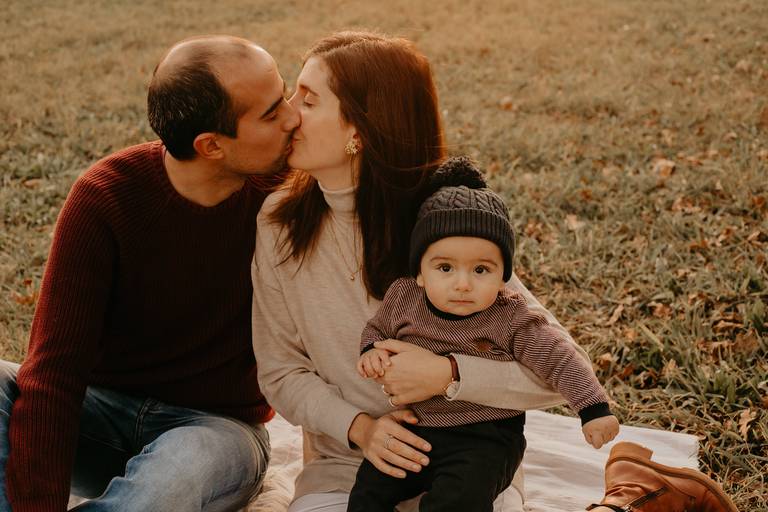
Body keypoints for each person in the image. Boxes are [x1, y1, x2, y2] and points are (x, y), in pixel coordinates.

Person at [251, 30, 739, 512]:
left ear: (359, 130)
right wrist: (359, 426)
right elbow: (281, 369)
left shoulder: (443, 225)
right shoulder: (278, 224)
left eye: (308, 100)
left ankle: (628, 498)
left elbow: (550, 367)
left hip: (469, 460)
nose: (289, 112)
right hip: (347, 465)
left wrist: (449, 374)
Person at [0, 35, 299, 512]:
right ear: (211, 146)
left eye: (284, 94)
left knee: (176, 472)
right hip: (101, 416)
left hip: (217, 433)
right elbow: (55, 372)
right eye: (270, 112)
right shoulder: (106, 198)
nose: (293, 116)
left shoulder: (293, 198)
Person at [346, 157, 620, 511]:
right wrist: (371, 351)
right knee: (371, 485)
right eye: (445, 267)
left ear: (503, 276)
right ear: (420, 273)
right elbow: (377, 329)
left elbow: (559, 358)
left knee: (460, 499)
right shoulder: (404, 297)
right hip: (419, 426)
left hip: (486, 437)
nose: (462, 284)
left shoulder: (509, 316)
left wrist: (593, 409)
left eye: (480, 269)